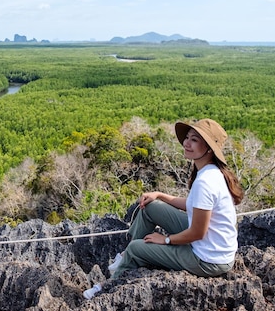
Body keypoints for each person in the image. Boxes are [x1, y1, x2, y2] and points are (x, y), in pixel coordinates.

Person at [83, 118, 244, 299]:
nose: (186, 143)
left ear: (208, 148)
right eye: (188, 137)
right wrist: (160, 195)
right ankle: (126, 256)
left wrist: (166, 240)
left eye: (195, 140)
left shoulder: (206, 182)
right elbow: (194, 206)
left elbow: (198, 233)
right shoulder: (211, 172)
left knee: (137, 248)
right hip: (211, 245)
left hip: (208, 260)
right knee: (150, 207)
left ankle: (109, 285)